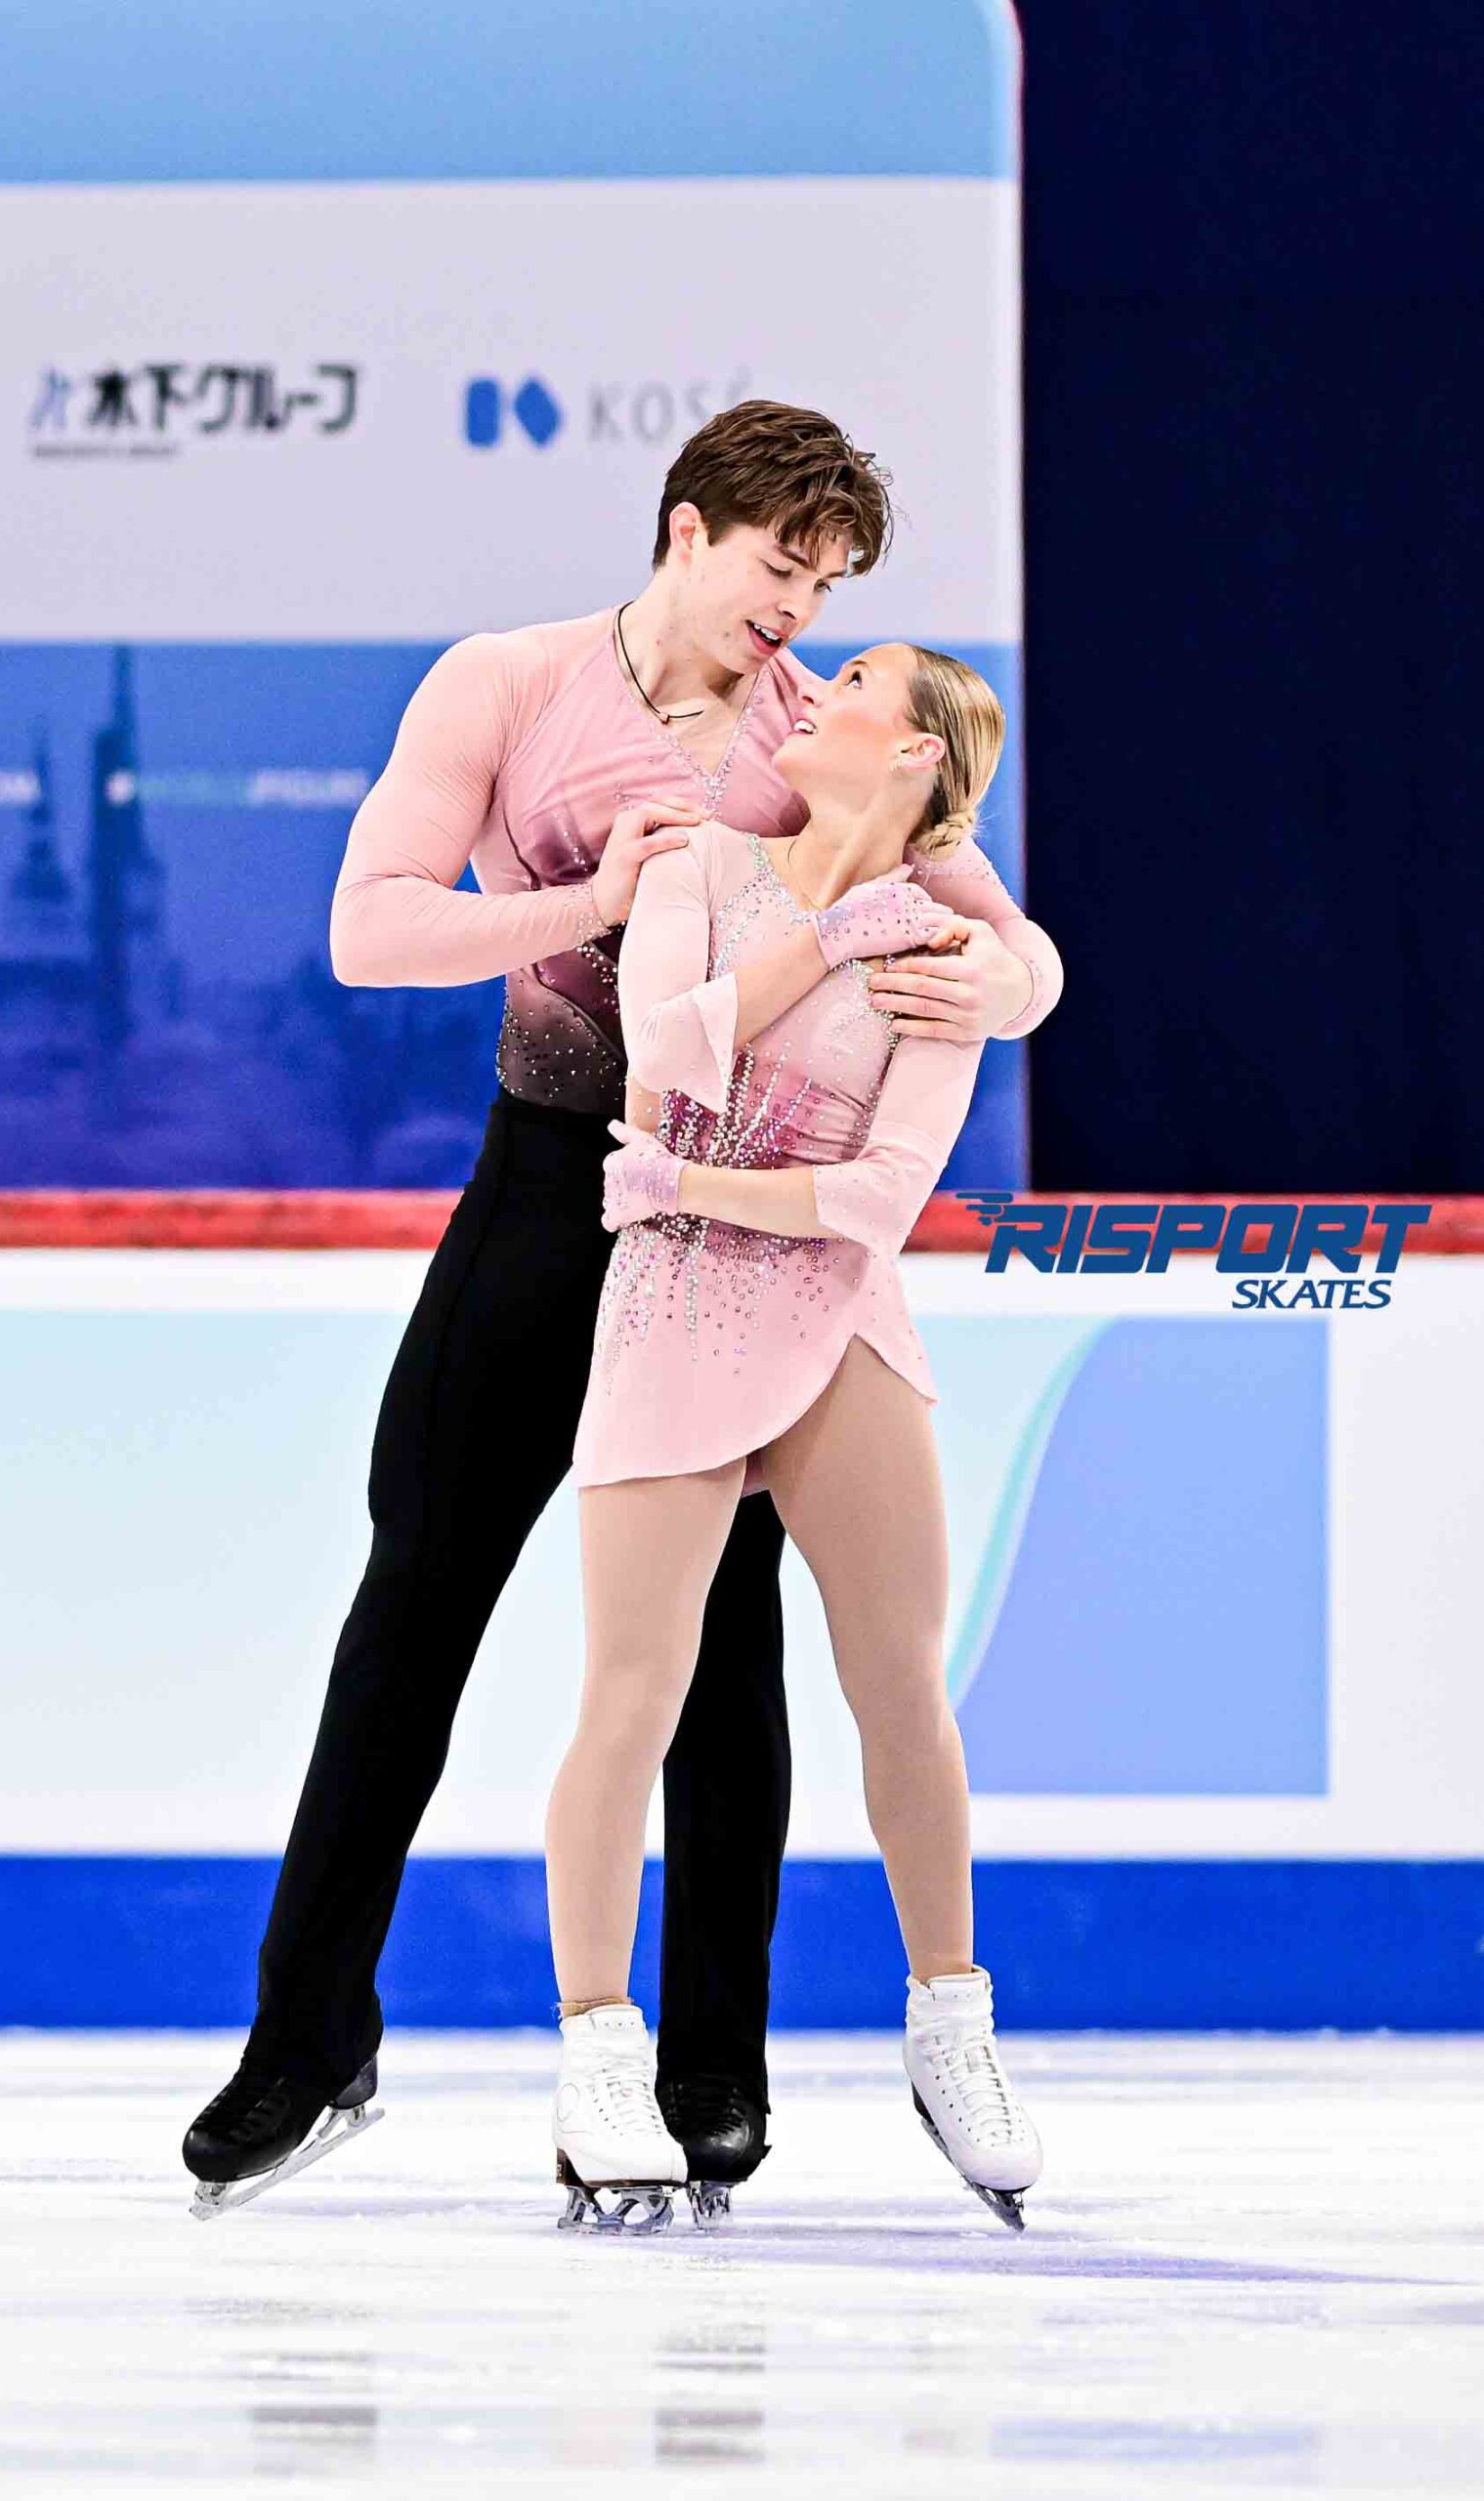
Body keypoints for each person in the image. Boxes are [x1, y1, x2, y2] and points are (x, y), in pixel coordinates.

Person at [183, 403, 1061, 2218]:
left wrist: (993, 979)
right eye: (779, 566)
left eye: (827, 587)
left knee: (727, 1653)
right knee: (416, 1598)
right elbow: (369, 929)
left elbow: (1017, 946)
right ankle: (306, 2038)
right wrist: (590, 897)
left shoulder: (814, 731)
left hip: (734, 1231)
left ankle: (709, 2070)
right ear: (686, 530)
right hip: (547, 1184)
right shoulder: (510, 685)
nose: (797, 612)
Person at [545, 645, 1042, 2232]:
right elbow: (660, 1051)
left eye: (859, 683)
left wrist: (685, 1181)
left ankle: (951, 2028)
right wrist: (825, 937)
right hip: (672, 1307)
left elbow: (880, 1200)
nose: (814, 689)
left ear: (914, 756)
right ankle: (598, 2059)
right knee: (632, 1692)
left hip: (829, 1310)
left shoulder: (946, 954)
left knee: (901, 1690)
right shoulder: (699, 869)